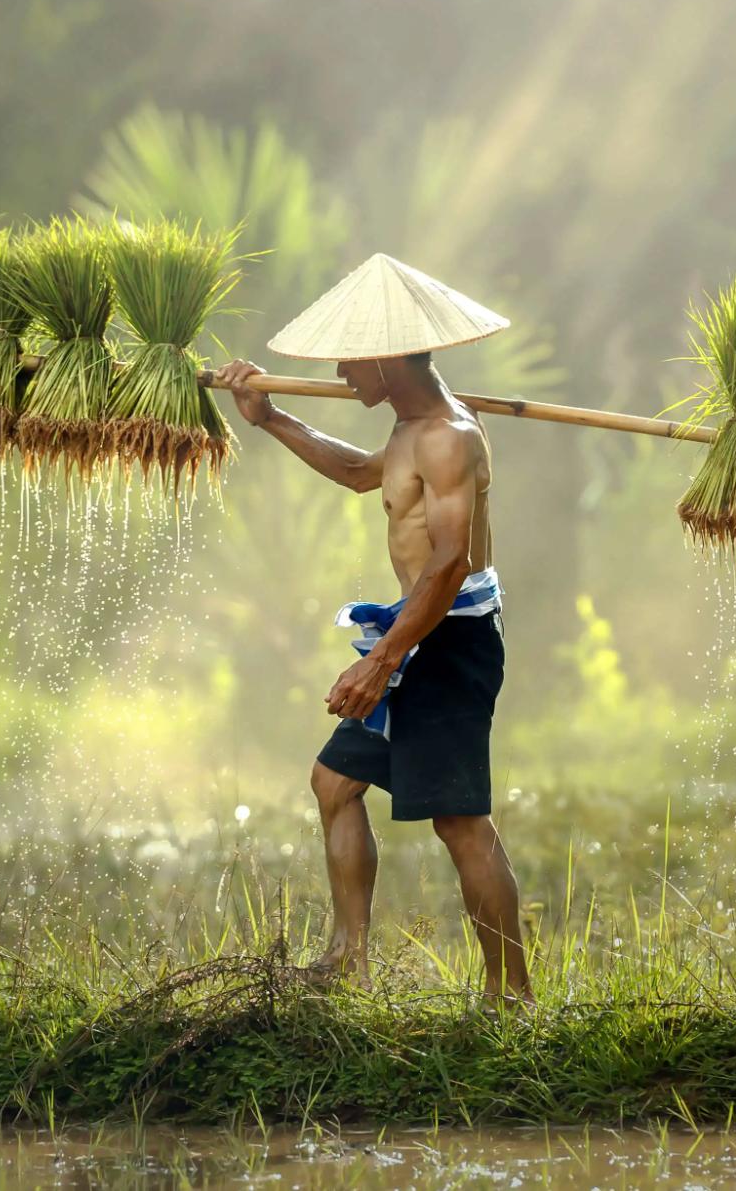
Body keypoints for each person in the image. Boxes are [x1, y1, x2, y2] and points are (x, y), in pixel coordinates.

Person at [215, 342, 532, 1005]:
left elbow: (449, 564)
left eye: (350, 362)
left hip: (449, 637)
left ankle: (512, 996)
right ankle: (347, 959)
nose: (338, 374)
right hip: (413, 629)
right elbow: (361, 471)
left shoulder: (450, 435)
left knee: (460, 821)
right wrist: (269, 417)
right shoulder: (412, 426)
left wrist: (380, 660)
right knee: (334, 782)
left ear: (389, 362)